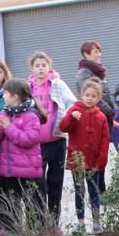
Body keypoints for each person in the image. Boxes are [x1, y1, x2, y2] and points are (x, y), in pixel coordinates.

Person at [0, 78, 45, 236]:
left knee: (32, 206)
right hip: (8, 171)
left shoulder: (31, 116)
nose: (3, 97)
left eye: (5, 93)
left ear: (15, 96)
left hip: (27, 172)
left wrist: (8, 128)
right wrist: (0, 129)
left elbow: (29, 140)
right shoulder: (3, 113)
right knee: (11, 205)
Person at [28, 51, 76, 225]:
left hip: (57, 140)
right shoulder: (28, 87)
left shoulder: (57, 84)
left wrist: (67, 119)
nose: (41, 68)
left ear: (49, 67)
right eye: (37, 65)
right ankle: (40, 221)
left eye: (44, 65)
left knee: (55, 181)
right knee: (38, 184)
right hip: (36, 144)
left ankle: (54, 222)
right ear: (32, 68)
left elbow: (71, 102)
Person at [60, 78, 109, 234]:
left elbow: (105, 139)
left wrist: (102, 159)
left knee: (94, 191)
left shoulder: (101, 116)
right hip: (78, 158)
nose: (89, 98)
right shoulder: (75, 111)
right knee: (79, 190)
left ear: (98, 98)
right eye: (87, 95)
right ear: (81, 95)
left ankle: (96, 221)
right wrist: (71, 117)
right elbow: (64, 127)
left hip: (93, 160)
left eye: (93, 96)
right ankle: (80, 222)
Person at [75, 40, 116, 122]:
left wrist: (116, 110)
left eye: (100, 52)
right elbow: (93, 98)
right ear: (86, 54)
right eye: (96, 52)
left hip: (105, 117)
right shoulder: (84, 73)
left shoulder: (98, 72)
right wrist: (111, 112)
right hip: (94, 118)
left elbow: (107, 94)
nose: (99, 55)